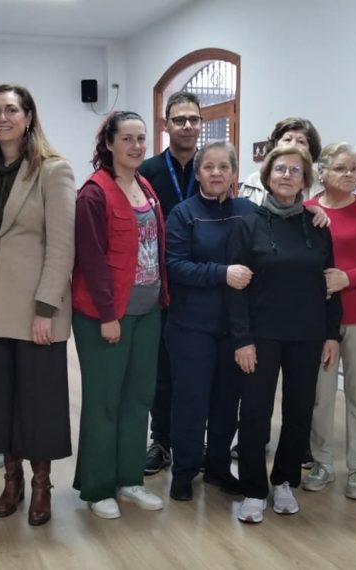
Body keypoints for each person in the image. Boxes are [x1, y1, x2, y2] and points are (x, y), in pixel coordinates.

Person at [0, 83, 75, 526]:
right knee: (0, 401)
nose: (2, 118)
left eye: (11, 110)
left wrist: (46, 308)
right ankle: (10, 479)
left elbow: (62, 245)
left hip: (37, 311)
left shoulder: (54, 171)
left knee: (39, 402)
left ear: (29, 116)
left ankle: (40, 483)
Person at [227, 145, 341, 524]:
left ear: (305, 179)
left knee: (298, 412)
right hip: (261, 335)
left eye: (295, 170)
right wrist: (242, 338)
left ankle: (285, 482)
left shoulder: (318, 226)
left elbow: (330, 282)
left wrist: (331, 335)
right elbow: (236, 287)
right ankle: (254, 490)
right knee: (256, 413)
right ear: (268, 176)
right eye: (280, 169)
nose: (287, 175)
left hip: (307, 334)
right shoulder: (248, 224)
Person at [72, 111, 168, 519]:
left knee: (138, 398)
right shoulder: (94, 193)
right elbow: (91, 260)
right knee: (104, 401)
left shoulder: (145, 186)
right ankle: (97, 488)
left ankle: (130, 478)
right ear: (108, 143)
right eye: (127, 138)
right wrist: (108, 315)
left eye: (141, 139)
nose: (136, 146)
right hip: (106, 315)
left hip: (148, 311)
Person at [163, 140, 254, 501]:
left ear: (234, 173)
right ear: (198, 172)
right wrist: (222, 273)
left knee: (226, 403)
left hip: (234, 329)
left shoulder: (249, 211)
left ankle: (218, 468)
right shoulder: (183, 214)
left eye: (224, 167)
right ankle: (184, 472)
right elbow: (175, 266)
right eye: (209, 167)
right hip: (190, 327)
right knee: (191, 401)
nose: (216, 173)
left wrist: (315, 214)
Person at [301, 143, 356, 500]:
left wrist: (347, 278)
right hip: (318, 318)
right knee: (320, 395)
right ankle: (322, 462)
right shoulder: (306, 211)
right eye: (341, 168)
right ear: (322, 173)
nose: (350, 175)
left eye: (354, 168)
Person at [136, 90, 202, 476]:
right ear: (166, 125)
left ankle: (196, 438)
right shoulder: (147, 172)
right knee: (161, 368)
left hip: (204, 284)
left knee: (199, 367)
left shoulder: (213, 166)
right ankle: (160, 439)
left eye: (193, 119)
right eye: (179, 120)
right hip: (160, 284)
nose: (188, 127)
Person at [240, 117, 323, 206]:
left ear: (310, 149)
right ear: (276, 143)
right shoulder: (253, 182)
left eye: (301, 141)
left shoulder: (321, 186)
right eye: (287, 139)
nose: (293, 145)